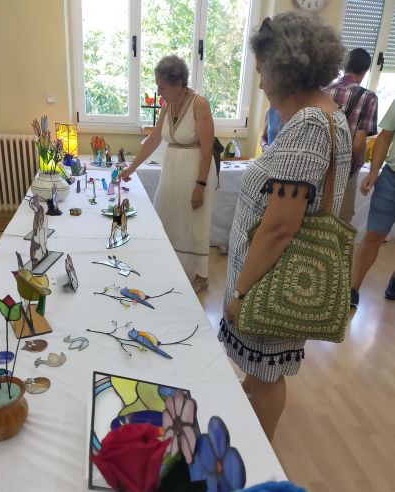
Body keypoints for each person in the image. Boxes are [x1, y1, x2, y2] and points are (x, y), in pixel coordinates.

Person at [218, 13, 351, 441]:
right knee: (259, 370)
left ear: (283, 69)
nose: (260, 85)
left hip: (271, 278)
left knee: (266, 375)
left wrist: (241, 292)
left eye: (262, 72)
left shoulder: (309, 126)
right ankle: (247, 426)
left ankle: (258, 457)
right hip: (274, 273)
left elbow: (280, 227)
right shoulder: (327, 115)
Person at [120, 55, 216, 293]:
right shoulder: (167, 105)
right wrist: (131, 168)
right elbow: (154, 140)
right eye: (158, 85)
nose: (158, 91)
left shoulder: (199, 104)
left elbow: (207, 150)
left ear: (179, 84)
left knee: (195, 222)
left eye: (162, 87)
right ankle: (167, 264)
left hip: (196, 170)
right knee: (164, 213)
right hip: (172, 169)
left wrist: (200, 186)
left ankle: (201, 276)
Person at [324, 48, 378, 224]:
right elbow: (358, 145)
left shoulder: (323, 91)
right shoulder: (368, 97)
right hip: (345, 171)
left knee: (315, 220)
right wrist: (360, 162)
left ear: (344, 66)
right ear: (365, 71)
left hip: (319, 166)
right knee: (340, 225)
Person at [351, 99, 395, 306]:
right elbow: (385, 136)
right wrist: (374, 171)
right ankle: (353, 288)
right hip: (391, 179)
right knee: (374, 235)